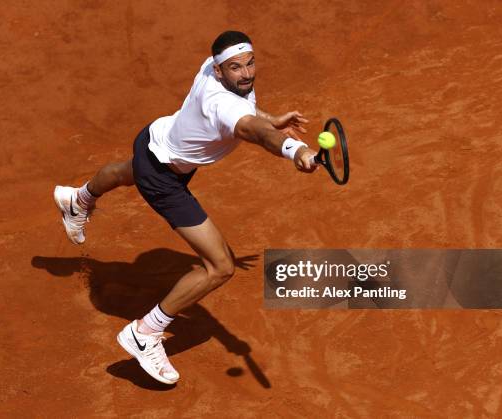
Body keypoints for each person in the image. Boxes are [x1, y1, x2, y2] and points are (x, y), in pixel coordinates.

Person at [53, 30, 318, 385]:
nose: (246, 73)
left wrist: (269, 118)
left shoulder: (212, 67)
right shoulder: (225, 105)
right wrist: (295, 150)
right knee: (220, 266)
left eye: (250, 63)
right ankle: (145, 333)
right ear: (220, 72)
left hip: (154, 139)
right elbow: (253, 129)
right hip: (164, 178)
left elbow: (253, 117)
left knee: (127, 171)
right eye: (236, 68)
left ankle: (79, 198)